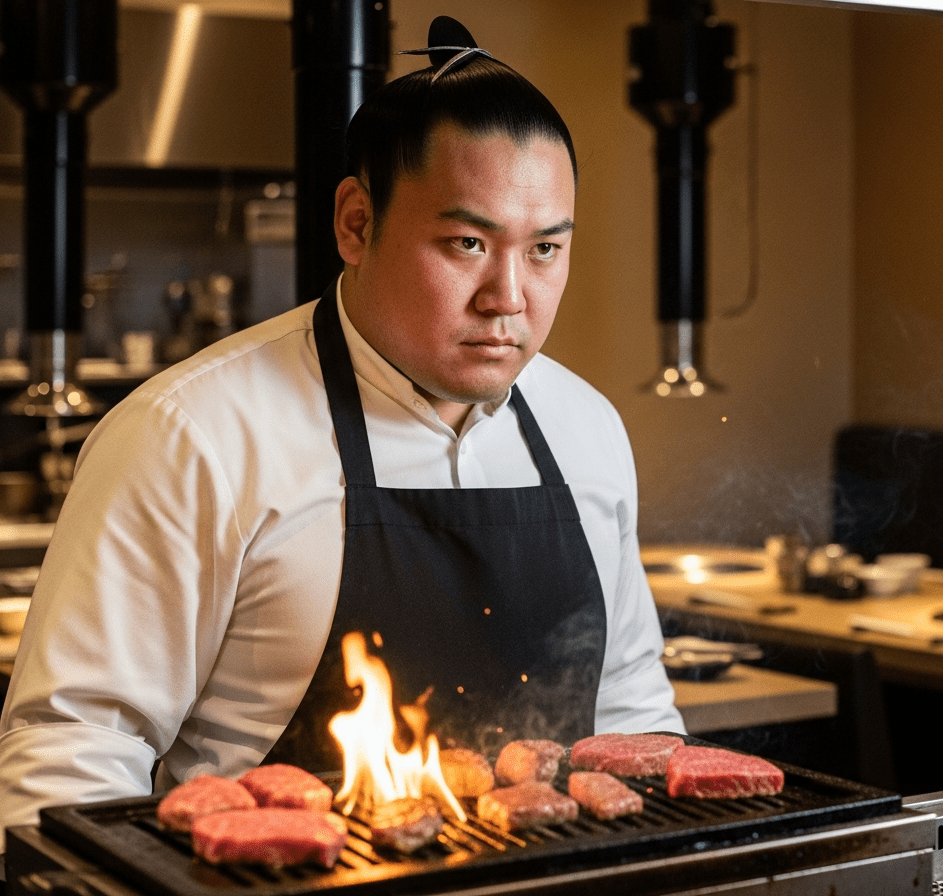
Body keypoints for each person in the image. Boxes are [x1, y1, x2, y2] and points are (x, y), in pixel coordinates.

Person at [0, 16, 683, 845]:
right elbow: (74, 750)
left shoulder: (587, 430)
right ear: (356, 223)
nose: (509, 297)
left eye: (544, 249)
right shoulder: (190, 436)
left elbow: (631, 713)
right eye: (467, 242)